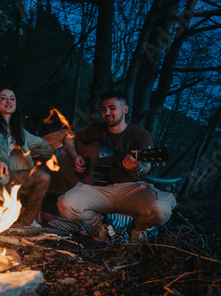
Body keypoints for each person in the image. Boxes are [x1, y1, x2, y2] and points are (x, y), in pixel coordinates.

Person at [57, 89, 176, 242]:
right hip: (99, 190)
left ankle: (137, 229)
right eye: (103, 109)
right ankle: (101, 224)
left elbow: (146, 168)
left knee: (162, 210)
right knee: (65, 204)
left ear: (125, 109)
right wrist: (75, 156)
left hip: (132, 189)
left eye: (112, 108)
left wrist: (137, 168)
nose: (107, 113)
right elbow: (69, 138)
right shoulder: (95, 130)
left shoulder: (139, 134)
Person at [0, 85, 65, 227]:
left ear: (16, 105)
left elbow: (40, 144)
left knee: (43, 177)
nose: (8, 101)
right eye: (3, 98)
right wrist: (0, 159)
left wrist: (58, 154)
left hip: (10, 178)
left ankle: (26, 223)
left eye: (12, 99)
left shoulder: (19, 132)